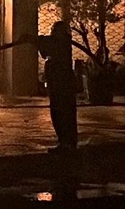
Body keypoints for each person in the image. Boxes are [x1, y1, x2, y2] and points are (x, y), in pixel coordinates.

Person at [37, 20, 79, 152]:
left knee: (63, 112)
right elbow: (44, 51)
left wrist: (38, 40)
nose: (53, 32)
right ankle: (66, 141)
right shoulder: (58, 42)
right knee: (58, 112)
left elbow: (47, 46)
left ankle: (67, 142)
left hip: (62, 84)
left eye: (56, 30)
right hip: (57, 83)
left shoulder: (62, 43)